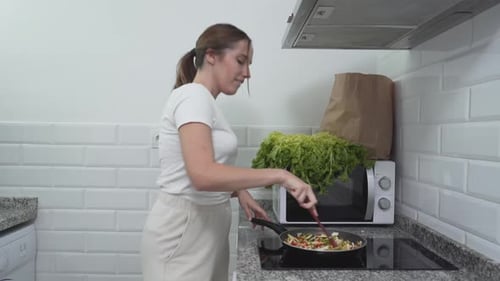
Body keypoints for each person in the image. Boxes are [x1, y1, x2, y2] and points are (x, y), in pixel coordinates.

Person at [140, 23, 318, 281]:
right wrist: (281, 175)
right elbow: (202, 175)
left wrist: (238, 191)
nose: (247, 73)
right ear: (211, 56)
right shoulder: (193, 97)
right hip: (183, 231)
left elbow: (197, 167)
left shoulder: (205, 102)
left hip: (204, 227)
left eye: (249, 64)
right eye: (241, 61)